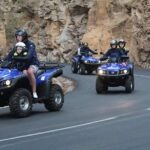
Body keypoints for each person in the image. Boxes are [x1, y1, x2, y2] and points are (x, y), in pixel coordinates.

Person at [5, 29, 39, 99]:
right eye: (17, 36)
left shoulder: (30, 45)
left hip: (32, 64)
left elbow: (29, 56)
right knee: (21, 74)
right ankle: (25, 90)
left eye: (20, 36)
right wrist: (3, 60)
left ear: (24, 37)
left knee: (29, 72)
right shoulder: (17, 45)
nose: (18, 38)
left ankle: (34, 92)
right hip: (23, 66)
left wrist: (18, 58)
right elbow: (10, 55)